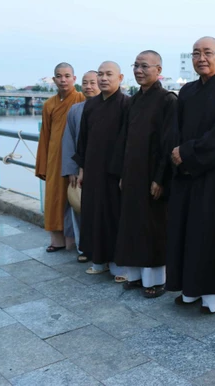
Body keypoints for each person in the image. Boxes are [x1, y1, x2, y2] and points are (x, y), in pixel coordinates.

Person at [166, 37, 215, 314]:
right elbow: (175, 129)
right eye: (196, 53)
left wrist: (187, 152)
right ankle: (190, 288)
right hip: (185, 173)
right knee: (186, 231)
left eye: (208, 53)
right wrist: (177, 155)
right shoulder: (187, 91)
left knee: (211, 232)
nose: (202, 58)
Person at [112, 50, 176, 298]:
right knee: (131, 225)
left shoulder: (168, 100)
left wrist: (160, 178)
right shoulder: (133, 101)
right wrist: (122, 173)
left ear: (158, 70)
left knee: (153, 226)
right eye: (136, 66)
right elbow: (125, 139)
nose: (139, 71)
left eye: (145, 66)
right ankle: (136, 276)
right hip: (132, 174)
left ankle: (156, 280)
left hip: (152, 174)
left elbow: (169, 142)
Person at [74, 62, 129, 282]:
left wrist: (125, 172)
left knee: (114, 217)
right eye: (100, 74)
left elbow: (129, 141)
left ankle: (119, 265)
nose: (103, 78)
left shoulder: (126, 104)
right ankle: (98, 260)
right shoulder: (91, 105)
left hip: (115, 172)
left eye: (109, 74)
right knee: (93, 214)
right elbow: (83, 140)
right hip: (93, 170)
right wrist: (81, 169)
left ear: (120, 78)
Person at [35, 62, 85, 252]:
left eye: (67, 76)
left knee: (75, 198)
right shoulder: (49, 105)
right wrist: (42, 165)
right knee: (55, 198)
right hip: (55, 158)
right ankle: (57, 240)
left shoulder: (81, 99)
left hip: (74, 157)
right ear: (54, 79)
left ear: (74, 78)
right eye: (59, 76)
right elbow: (45, 136)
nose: (63, 80)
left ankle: (73, 240)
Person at [61, 70, 99, 262]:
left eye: (93, 82)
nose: (89, 87)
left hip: (102, 169)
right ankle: (82, 247)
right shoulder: (75, 110)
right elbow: (68, 142)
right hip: (79, 169)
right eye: (85, 83)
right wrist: (71, 170)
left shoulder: (116, 107)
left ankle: (102, 249)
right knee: (78, 208)